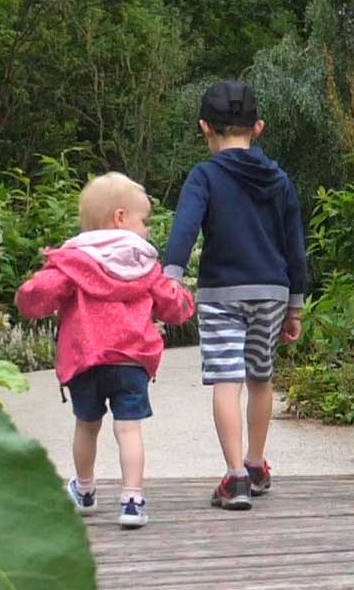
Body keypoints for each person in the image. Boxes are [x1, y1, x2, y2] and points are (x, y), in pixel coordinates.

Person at [16, 172, 195, 529]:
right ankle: (132, 499)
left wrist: (29, 295)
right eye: (144, 220)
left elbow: (35, 297)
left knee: (87, 426)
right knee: (129, 431)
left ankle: (84, 490)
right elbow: (176, 307)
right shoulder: (143, 264)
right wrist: (183, 298)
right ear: (120, 218)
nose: (147, 230)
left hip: (85, 359)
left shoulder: (73, 261)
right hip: (131, 362)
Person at [160, 81, 308, 510]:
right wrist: (294, 305)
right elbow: (293, 244)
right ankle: (257, 464)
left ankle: (236, 478)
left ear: (205, 127)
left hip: (221, 292)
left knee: (227, 380)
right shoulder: (279, 180)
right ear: (258, 127)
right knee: (260, 377)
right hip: (272, 291)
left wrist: (171, 277)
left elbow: (185, 228)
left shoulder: (204, 176)